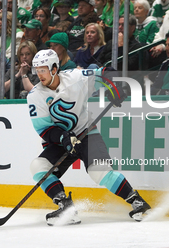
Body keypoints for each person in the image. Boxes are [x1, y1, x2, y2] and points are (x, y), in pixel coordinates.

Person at [27, 49, 151, 226]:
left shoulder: (76, 78)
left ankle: (137, 201)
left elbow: (106, 72)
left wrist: (115, 87)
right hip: (60, 141)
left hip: (86, 134)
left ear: (54, 68)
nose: (39, 75)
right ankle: (66, 207)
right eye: (37, 70)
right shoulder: (35, 96)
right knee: (38, 166)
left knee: (99, 171)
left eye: (43, 70)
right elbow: (45, 129)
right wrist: (63, 138)